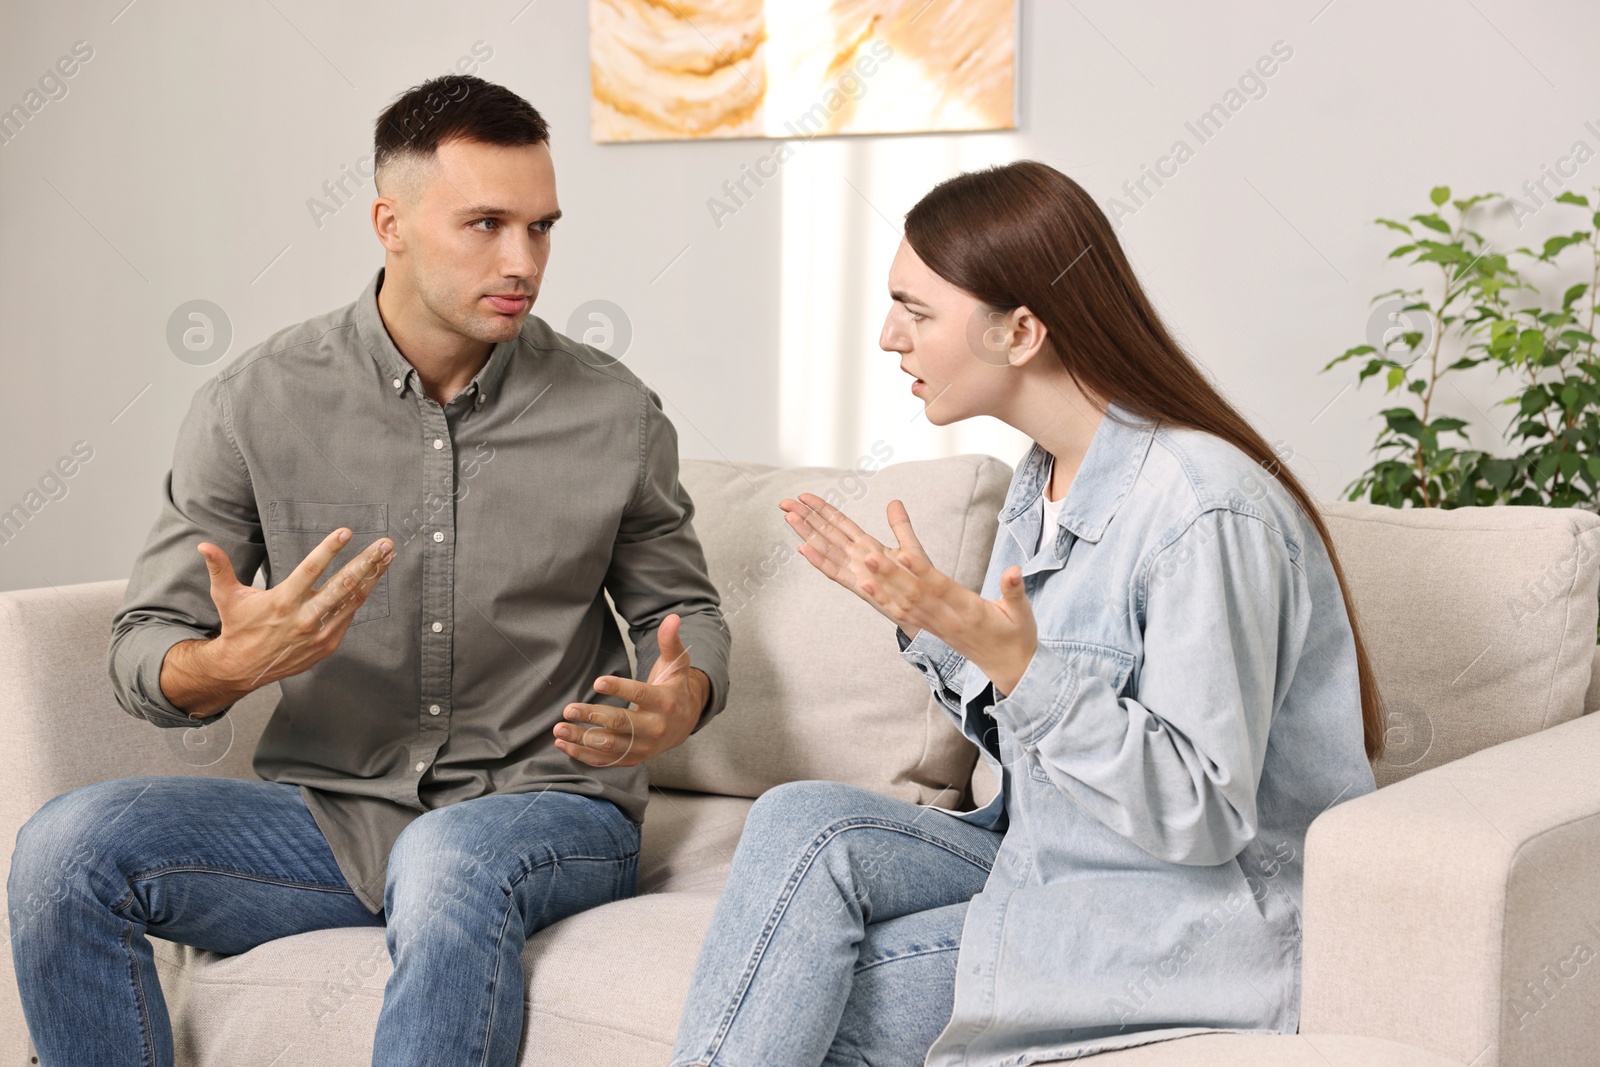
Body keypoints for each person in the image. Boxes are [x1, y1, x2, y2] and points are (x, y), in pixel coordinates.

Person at [7, 74, 731, 1067]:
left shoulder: (614, 412)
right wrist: (228, 664)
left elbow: (680, 611)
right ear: (390, 223)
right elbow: (147, 647)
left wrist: (678, 695)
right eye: (485, 223)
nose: (523, 261)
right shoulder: (255, 400)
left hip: (548, 807)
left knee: (445, 858)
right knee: (64, 848)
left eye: (540, 227)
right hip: (328, 814)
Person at [667, 160, 1384, 1067]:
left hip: (1186, 913)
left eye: (915, 310)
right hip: (1054, 854)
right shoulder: (1042, 481)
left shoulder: (1203, 510)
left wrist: (1021, 668)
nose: (890, 336)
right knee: (796, 819)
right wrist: (939, 627)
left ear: (1021, 330)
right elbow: (1046, 754)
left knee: (814, 1008)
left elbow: (1200, 814)